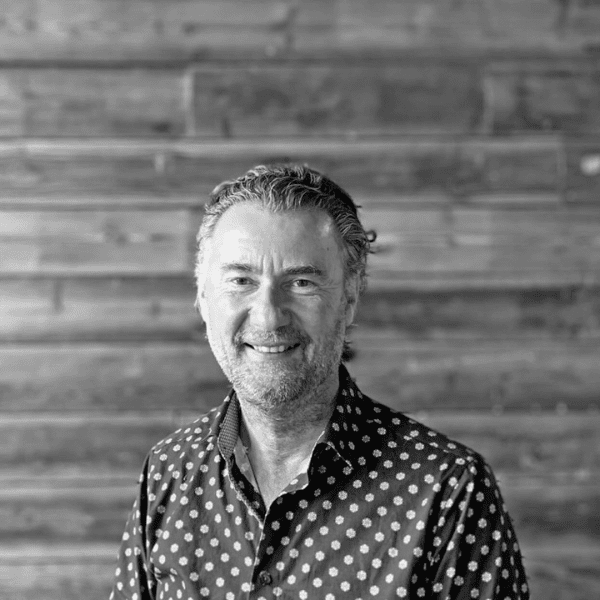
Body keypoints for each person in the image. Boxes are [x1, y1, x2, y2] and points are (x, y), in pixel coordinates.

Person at [110, 164, 529, 600]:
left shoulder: (448, 490)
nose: (268, 317)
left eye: (301, 282)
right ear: (202, 295)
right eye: (241, 280)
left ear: (349, 298)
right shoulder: (169, 471)